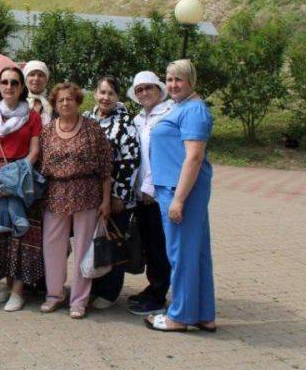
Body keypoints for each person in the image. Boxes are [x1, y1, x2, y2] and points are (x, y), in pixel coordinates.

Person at [146, 59, 216, 333]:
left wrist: (179, 200)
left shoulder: (194, 110)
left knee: (181, 254)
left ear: (191, 81)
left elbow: (194, 156)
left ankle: (180, 316)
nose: (173, 84)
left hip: (180, 191)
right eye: (170, 79)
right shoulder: (183, 107)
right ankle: (203, 314)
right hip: (175, 189)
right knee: (195, 253)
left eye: (179, 79)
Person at [38, 82, 112, 318]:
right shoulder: (48, 130)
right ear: (55, 104)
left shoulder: (92, 129)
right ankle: (54, 294)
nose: (65, 103)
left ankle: (79, 300)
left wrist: (106, 200)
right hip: (56, 193)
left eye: (69, 99)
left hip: (87, 192)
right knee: (53, 247)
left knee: (83, 248)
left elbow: (106, 168)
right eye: (60, 100)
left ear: (78, 101)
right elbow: (41, 165)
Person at [0, 66, 43, 312]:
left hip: (22, 181)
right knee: (0, 235)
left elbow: (35, 151)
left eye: (15, 82)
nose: (9, 87)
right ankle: (7, 284)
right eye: (5, 82)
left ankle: (19, 291)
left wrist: (14, 177)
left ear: (22, 87)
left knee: (21, 234)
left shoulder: (32, 116)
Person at [84, 76, 140, 310]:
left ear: (118, 97)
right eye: (102, 92)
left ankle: (109, 291)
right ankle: (91, 286)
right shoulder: (86, 118)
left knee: (111, 241)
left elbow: (131, 160)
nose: (106, 97)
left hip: (114, 196)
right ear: (95, 93)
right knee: (90, 243)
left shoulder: (125, 122)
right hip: (87, 195)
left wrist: (119, 195)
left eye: (111, 93)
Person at [126, 71, 173, 317]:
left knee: (159, 246)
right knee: (148, 244)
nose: (144, 92)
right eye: (139, 89)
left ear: (159, 89)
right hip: (140, 194)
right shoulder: (138, 118)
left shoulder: (168, 115)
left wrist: (150, 188)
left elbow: (162, 156)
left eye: (148, 88)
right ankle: (153, 287)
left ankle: (158, 295)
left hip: (158, 193)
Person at [23, 60, 52, 125]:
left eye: (40, 75)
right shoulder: (16, 101)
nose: (36, 78)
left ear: (46, 79)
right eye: (32, 74)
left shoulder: (54, 102)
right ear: (25, 78)